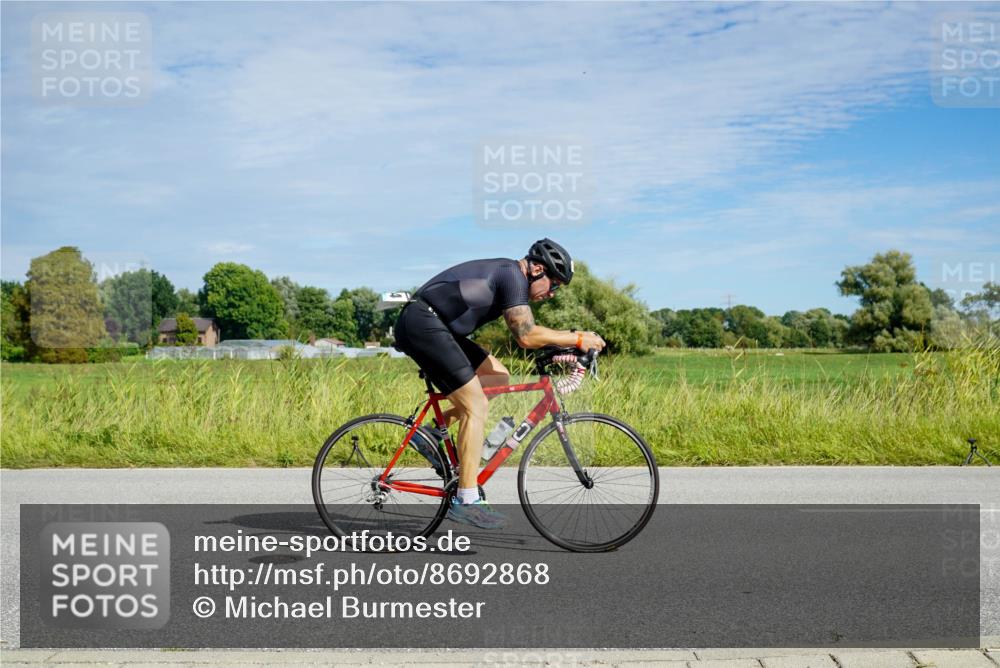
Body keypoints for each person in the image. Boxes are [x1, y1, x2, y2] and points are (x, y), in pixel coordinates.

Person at [393, 239, 606, 529]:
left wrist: (565, 344)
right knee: (475, 406)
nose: (552, 294)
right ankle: (466, 500)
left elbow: (529, 337)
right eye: (553, 284)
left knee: (497, 377)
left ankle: (429, 434)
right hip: (424, 323)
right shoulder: (512, 275)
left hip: (437, 325)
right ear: (537, 269)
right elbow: (527, 336)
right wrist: (578, 337)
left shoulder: (511, 276)